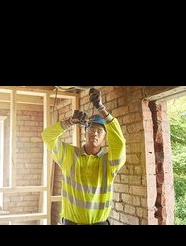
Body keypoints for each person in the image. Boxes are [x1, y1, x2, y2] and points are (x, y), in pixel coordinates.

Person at [42, 88, 126, 225]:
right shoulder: (69, 154)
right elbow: (47, 136)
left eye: (100, 131)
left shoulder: (109, 162)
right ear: (85, 133)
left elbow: (120, 143)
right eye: (91, 129)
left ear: (105, 137)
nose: (95, 134)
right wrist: (69, 121)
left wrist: (101, 108)